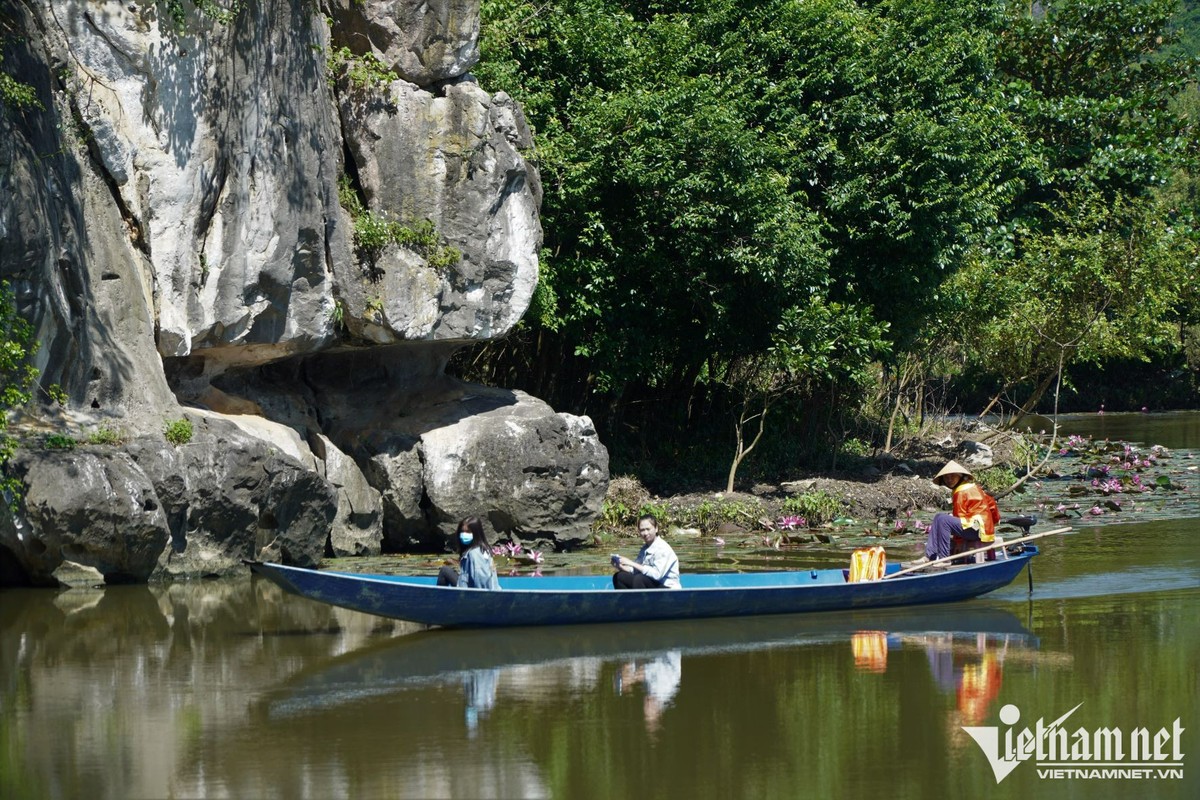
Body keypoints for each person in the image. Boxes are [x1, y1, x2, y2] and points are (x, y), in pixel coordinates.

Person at [912, 461, 1000, 565]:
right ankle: (930, 556)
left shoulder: (961, 492)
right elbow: (991, 502)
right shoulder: (973, 487)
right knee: (939, 517)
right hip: (982, 529)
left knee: (943, 520)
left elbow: (960, 516)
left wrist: (959, 542)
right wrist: (994, 523)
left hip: (977, 531)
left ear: (960, 476)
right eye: (946, 477)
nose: (949, 480)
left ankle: (943, 559)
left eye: (952, 477)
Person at [611, 513, 681, 589]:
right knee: (620, 577)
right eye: (642, 530)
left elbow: (657, 575)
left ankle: (640, 600)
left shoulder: (663, 549)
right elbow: (636, 570)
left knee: (639, 579)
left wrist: (631, 563)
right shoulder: (645, 548)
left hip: (669, 589)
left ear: (656, 528)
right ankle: (627, 600)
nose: (645, 533)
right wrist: (620, 566)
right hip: (650, 584)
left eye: (648, 529)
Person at [437, 516, 501, 590]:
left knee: (445, 570)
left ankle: (439, 600)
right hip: (485, 590)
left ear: (475, 533)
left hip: (471, 595)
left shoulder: (474, 554)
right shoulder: (484, 549)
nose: (464, 534)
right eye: (462, 531)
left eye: (468, 532)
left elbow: (480, 582)